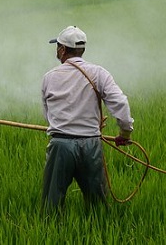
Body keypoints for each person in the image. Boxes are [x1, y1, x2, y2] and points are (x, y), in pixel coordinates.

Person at [41, 25, 134, 214]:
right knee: (97, 206)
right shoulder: (99, 73)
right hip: (90, 144)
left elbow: (48, 114)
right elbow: (120, 103)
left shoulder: (49, 78)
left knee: (51, 205)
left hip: (60, 145)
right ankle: (100, 230)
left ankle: (50, 232)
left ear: (62, 49)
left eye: (57, 46)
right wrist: (124, 133)